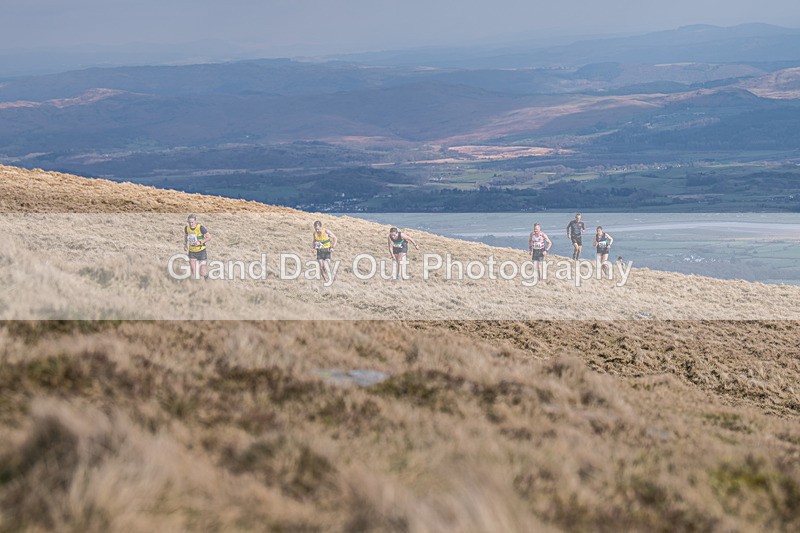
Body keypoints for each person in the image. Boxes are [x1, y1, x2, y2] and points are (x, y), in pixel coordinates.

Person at [184, 214, 212, 279]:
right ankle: (198, 284)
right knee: (193, 271)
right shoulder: (186, 228)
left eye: (192, 222)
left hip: (201, 252)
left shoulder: (200, 228)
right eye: (189, 222)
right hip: (192, 252)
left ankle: (206, 277)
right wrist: (185, 244)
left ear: (195, 221)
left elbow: (209, 237)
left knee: (202, 272)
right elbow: (186, 236)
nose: (191, 224)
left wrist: (199, 242)